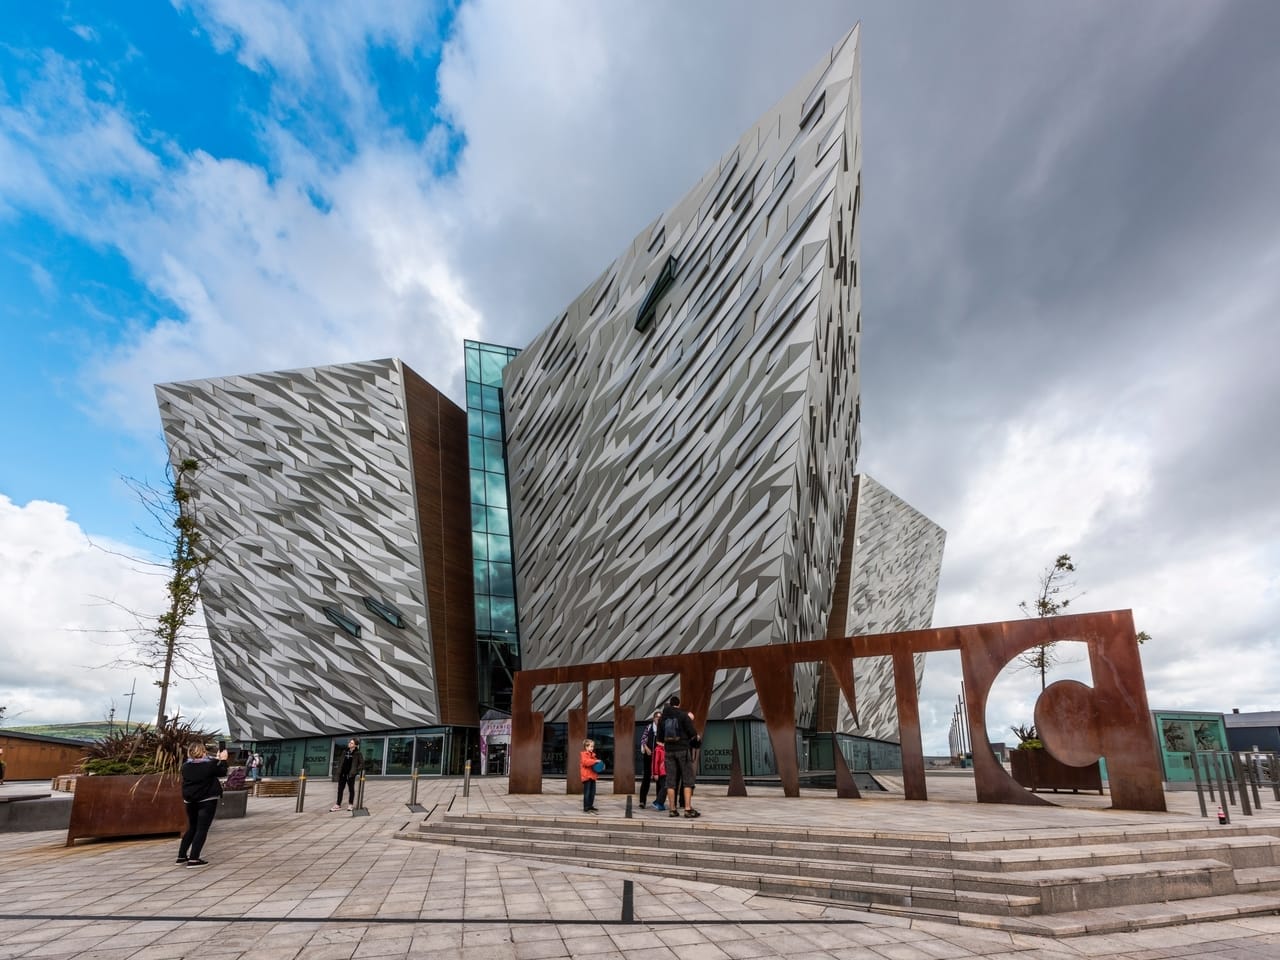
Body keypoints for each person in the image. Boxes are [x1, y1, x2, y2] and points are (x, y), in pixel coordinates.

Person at [177, 741, 228, 867]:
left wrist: (216, 759)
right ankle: (194, 858)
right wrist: (223, 760)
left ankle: (181, 856)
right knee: (202, 828)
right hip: (206, 800)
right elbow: (222, 772)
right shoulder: (210, 765)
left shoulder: (185, 766)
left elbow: (201, 768)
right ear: (203, 751)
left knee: (192, 827)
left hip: (190, 800)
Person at [660, 695, 701, 818]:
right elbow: (692, 733)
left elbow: (660, 738)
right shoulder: (683, 715)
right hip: (683, 750)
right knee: (687, 779)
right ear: (678, 704)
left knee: (670, 781)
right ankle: (688, 809)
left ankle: (672, 809)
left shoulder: (663, 718)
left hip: (669, 752)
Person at [330, 738, 364, 812]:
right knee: (340, 789)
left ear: (355, 745)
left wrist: (355, 771)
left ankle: (350, 804)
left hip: (351, 774)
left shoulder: (358, 753)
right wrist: (339, 771)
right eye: (349, 743)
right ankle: (338, 804)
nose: (349, 744)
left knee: (351, 789)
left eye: (351, 743)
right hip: (342, 774)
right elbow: (341, 762)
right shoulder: (345, 751)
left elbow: (361, 764)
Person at [638, 709, 661, 808]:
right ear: (654, 718)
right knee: (646, 778)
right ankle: (642, 801)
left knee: (659, 779)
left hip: (659, 757)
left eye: (660, 718)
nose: (658, 719)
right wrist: (646, 748)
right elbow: (643, 739)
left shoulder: (663, 728)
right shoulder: (649, 727)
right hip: (648, 755)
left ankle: (658, 801)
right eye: (657, 717)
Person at [579, 738, 601, 814]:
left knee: (592, 792)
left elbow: (596, 765)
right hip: (587, 777)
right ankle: (586, 807)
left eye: (593, 746)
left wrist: (601, 765)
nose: (592, 748)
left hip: (593, 776)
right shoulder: (584, 754)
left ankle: (590, 805)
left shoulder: (593, 755)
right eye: (591, 746)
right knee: (587, 792)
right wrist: (595, 761)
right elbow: (586, 762)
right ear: (586, 747)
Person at [650, 738, 667, 812]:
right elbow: (655, 762)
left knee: (665, 787)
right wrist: (655, 773)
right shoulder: (658, 749)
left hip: (666, 771)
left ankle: (659, 803)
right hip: (661, 772)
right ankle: (658, 802)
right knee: (665, 787)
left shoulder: (664, 749)